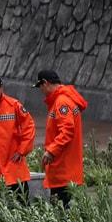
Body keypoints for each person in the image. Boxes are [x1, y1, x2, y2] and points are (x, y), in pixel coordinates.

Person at [34, 69, 88, 208]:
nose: (40, 91)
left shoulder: (61, 102)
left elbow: (67, 131)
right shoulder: (62, 100)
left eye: (39, 86)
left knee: (61, 212)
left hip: (63, 171)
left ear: (45, 83)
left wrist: (51, 151)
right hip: (64, 170)